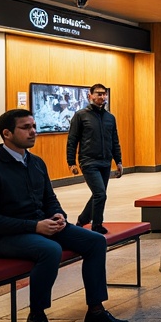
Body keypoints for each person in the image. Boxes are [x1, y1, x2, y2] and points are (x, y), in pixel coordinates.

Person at [0, 109, 130, 322]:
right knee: (50, 250)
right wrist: (35, 226)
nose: (33, 132)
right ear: (7, 133)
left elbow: (50, 198)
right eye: (25, 127)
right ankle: (36, 318)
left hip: (42, 226)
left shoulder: (36, 162)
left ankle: (96, 311)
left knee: (95, 241)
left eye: (33, 126)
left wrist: (58, 215)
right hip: (3, 237)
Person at [66, 83, 123, 234]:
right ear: (89, 96)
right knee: (100, 194)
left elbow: (114, 141)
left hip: (105, 162)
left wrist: (118, 161)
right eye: (98, 93)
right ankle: (96, 225)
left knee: (98, 194)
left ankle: (83, 219)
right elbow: (72, 140)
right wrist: (71, 162)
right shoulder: (80, 115)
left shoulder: (110, 118)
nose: (102, 96)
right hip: (88, 161)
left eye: (104, 94)